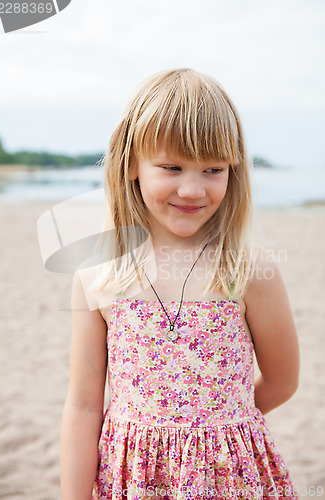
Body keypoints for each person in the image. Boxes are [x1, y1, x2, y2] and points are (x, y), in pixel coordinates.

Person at [60, 68, 300, 499]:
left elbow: (282, 381)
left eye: (213, 169)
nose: (192, 189)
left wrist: (218, 430)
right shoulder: (97, 271)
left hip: (228, 478)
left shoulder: (248, 271)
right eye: (171, 166)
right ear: (131, 163)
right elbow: (82, 406)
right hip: (133, 480)